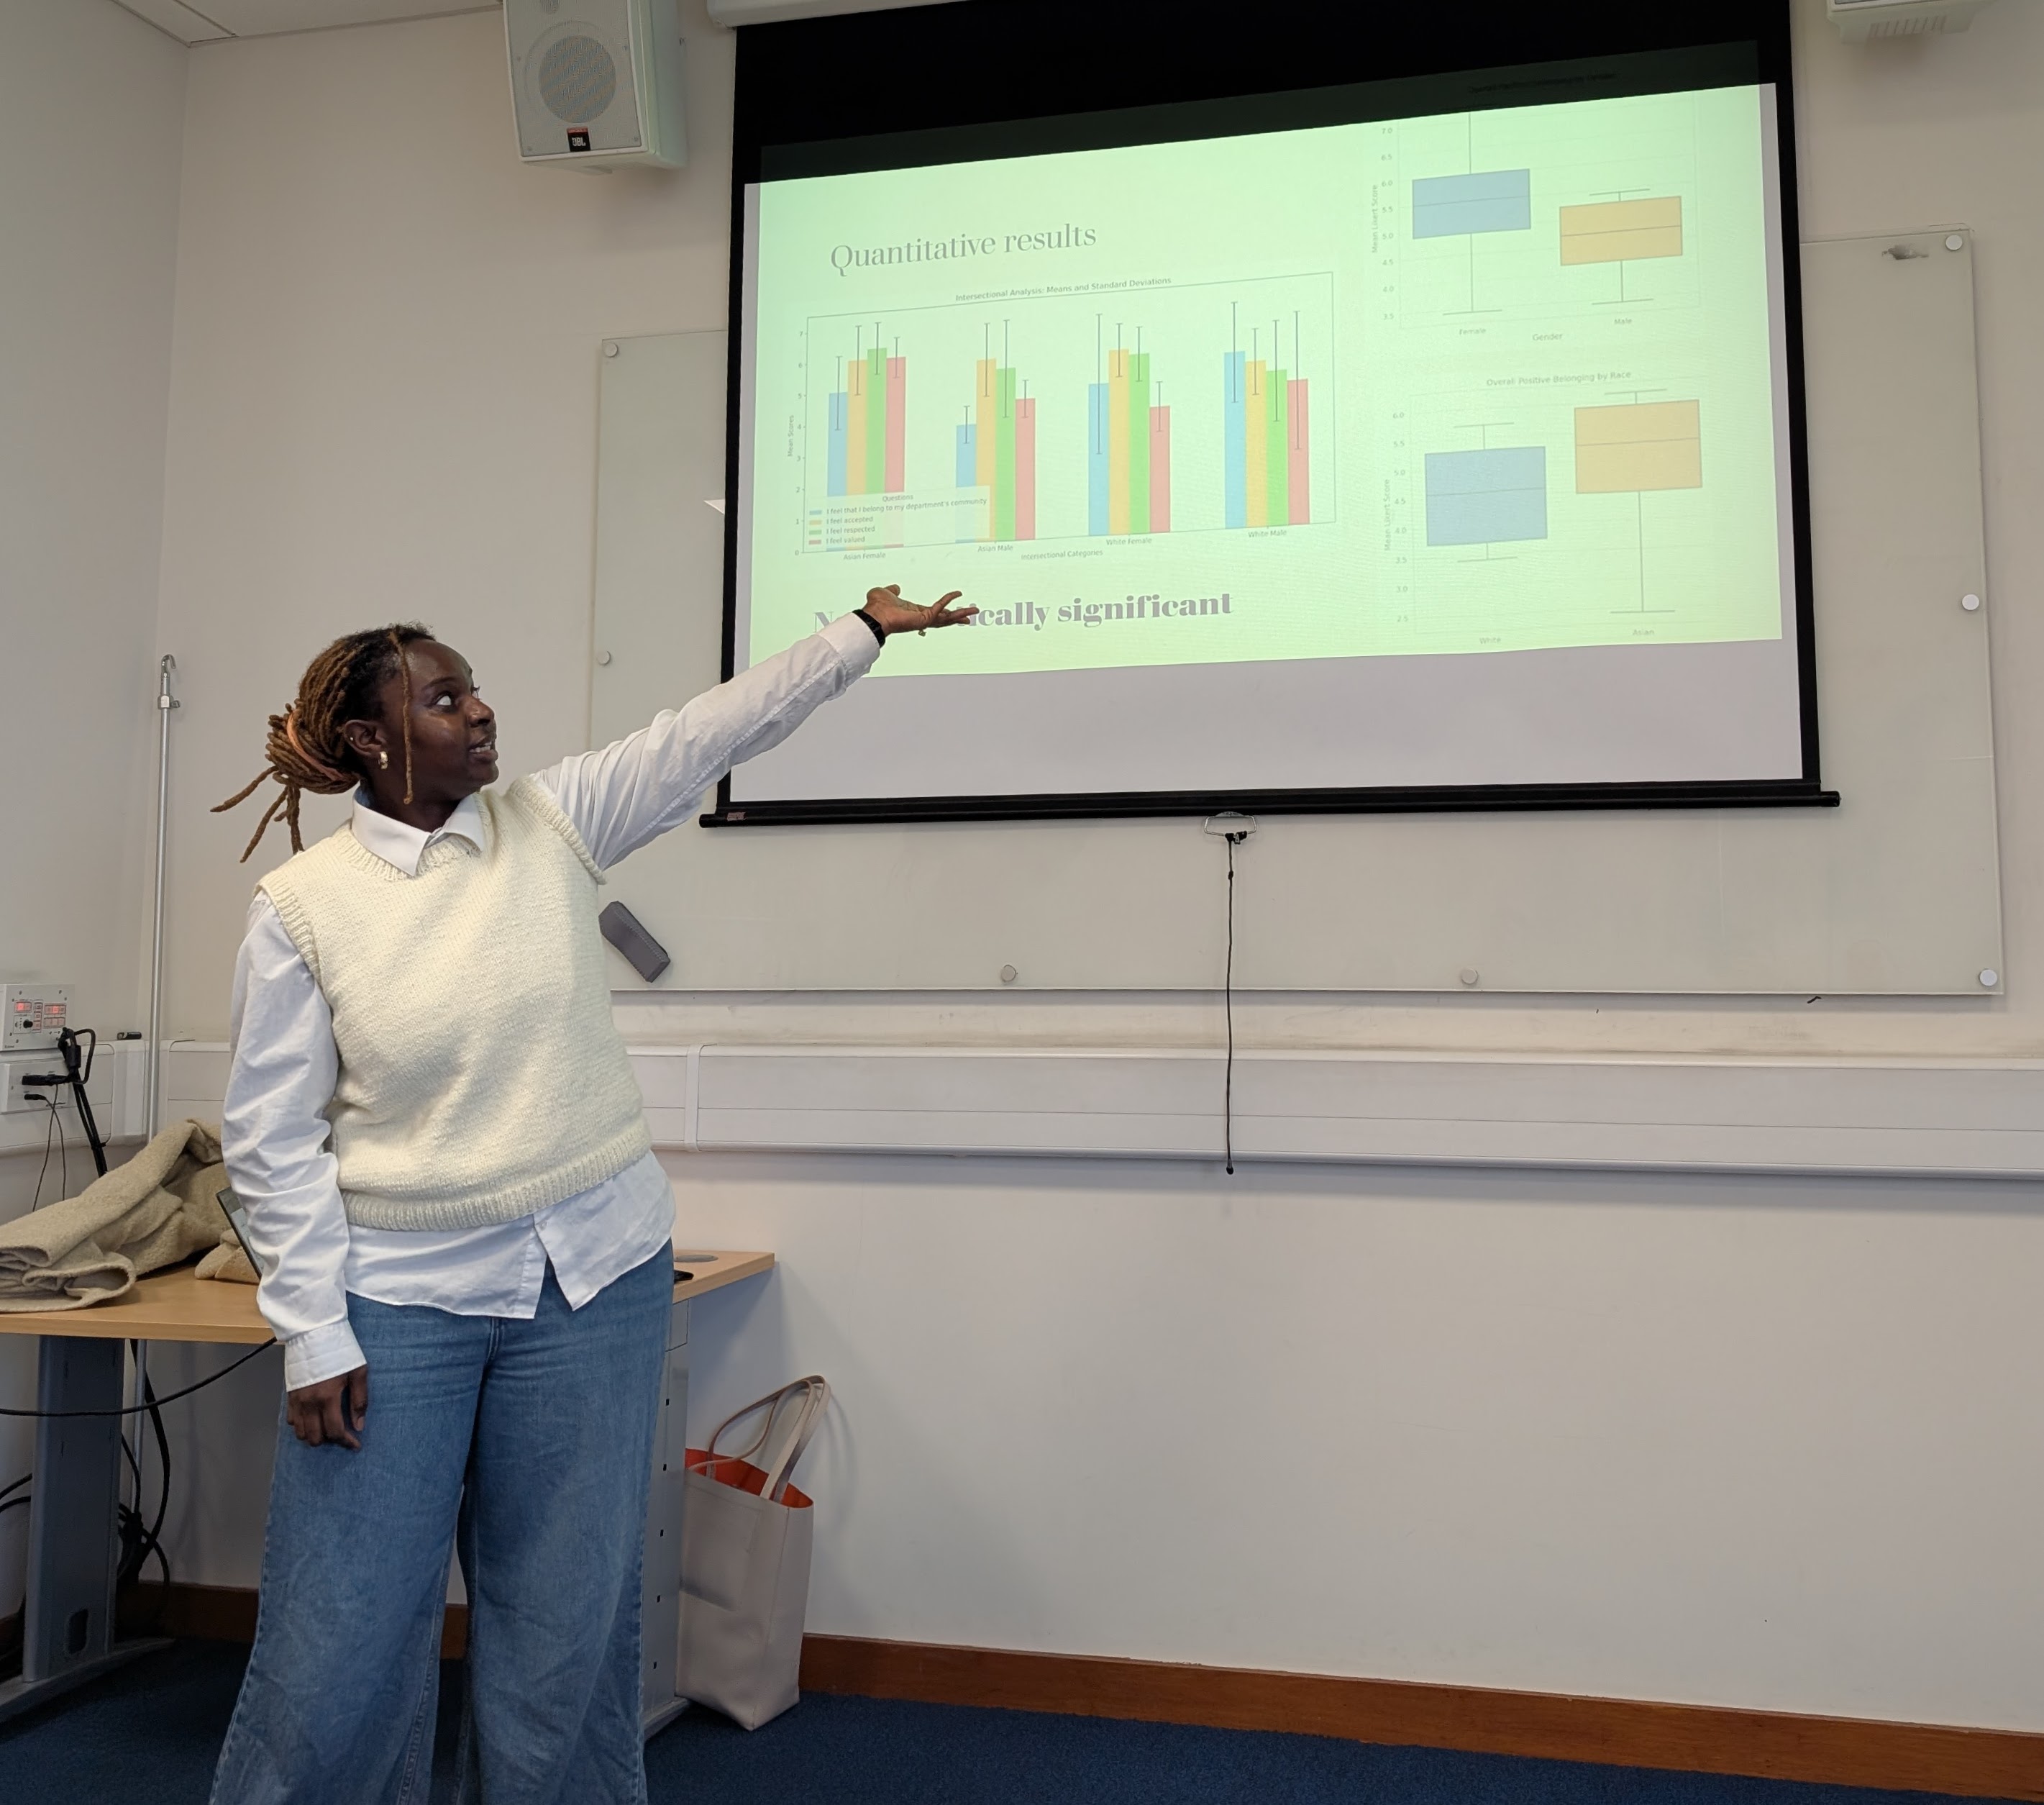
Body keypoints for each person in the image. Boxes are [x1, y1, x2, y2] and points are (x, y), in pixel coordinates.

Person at [206, 586, 974, 1805]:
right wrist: (311, 1331)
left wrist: (858, 634)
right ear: (368, 740)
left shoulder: (547, 823)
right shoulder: (304, 909)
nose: (481, 709)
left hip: (593, 1283)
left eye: (475, 688)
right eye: (445, 697)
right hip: (399, 1303)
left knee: (564, 1637)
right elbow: (268, 1137)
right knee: (339, 1641)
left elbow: (704, 734)